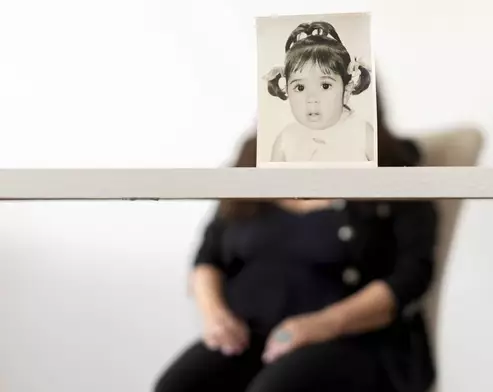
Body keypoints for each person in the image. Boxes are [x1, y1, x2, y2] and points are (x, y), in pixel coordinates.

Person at [153, 92, 439, 392]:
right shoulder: (251, 161)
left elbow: (413, 274)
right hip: (251, 331)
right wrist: (216, 317)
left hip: (354, 336)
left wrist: (327, 323)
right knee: (176, 386)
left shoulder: (394, 170)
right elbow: (208, 257)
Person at [265, 21, 375, 163]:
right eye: (300, 88)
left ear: (346, 92)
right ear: (287, 90)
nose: (311, 98)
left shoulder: (363, 134)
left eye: (325, 86)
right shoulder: (285, 140)